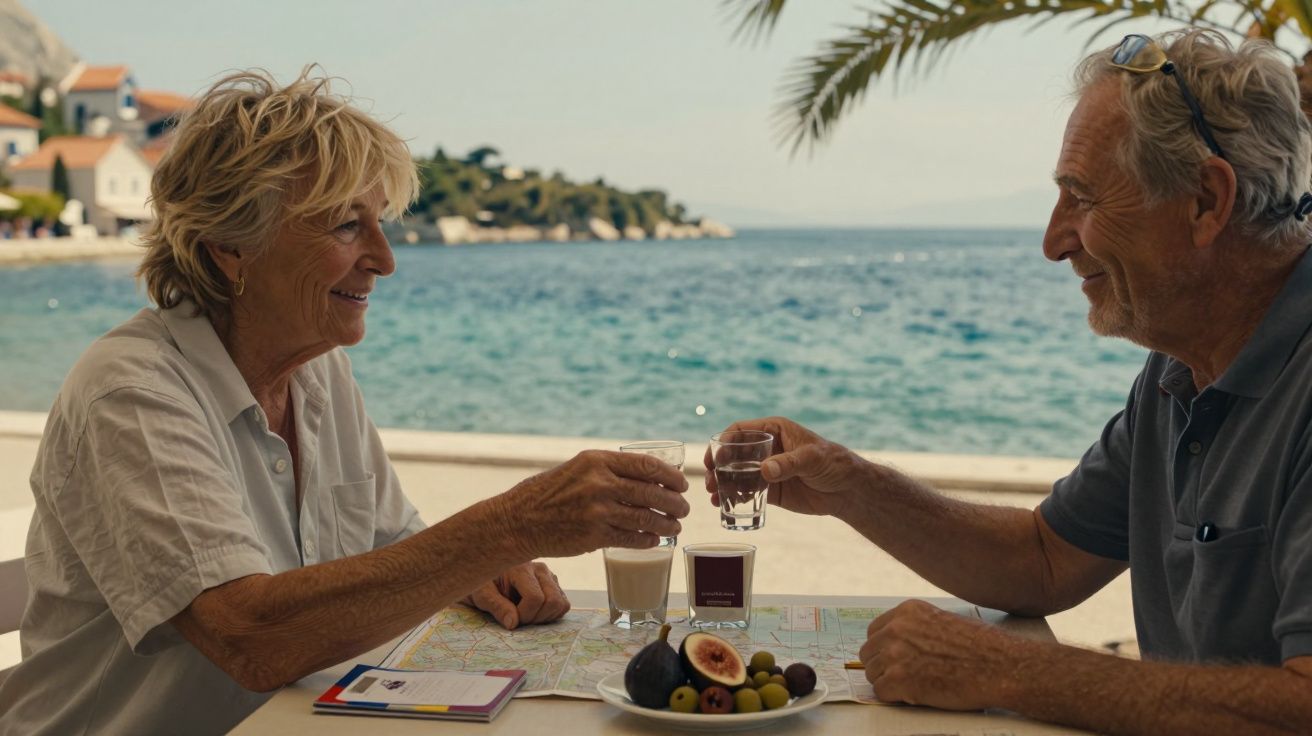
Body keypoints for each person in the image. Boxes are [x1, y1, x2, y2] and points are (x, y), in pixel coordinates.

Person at [0, 69, 690, 736]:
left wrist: (477, 571)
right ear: (230, 249)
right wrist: (509, 527)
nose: (386, 258)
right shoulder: (133, 393)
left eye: (379, 221)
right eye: (346, 226)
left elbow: (392, 552)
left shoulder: (318, 371)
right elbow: (250, 637)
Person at [708, 30, 1312, 733]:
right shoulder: (1180, 369)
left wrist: (1005, 669)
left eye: (1081, 199)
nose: (1053, 241)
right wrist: (850, 484)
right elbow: (1043, 560)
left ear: (1207, 200)